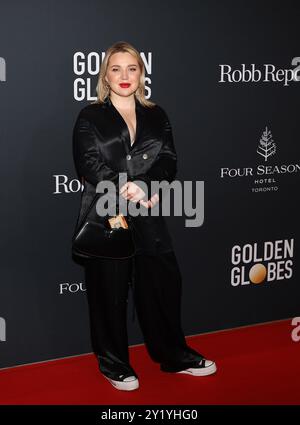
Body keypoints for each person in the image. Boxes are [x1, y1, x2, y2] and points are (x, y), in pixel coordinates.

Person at [72, 41, 217, 391]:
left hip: (149, 211)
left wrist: (147, 186)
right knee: (108, 293)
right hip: (108, 215)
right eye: (116, 69)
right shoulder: (90, 115)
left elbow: (168, 159)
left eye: (132, 68)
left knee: (163, 287)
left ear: (141, 73)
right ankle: (114, 364)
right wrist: (127, 188)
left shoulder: (157, 114)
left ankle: (175, 355)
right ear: (105, 75)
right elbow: (88, 162)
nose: (124, 76)